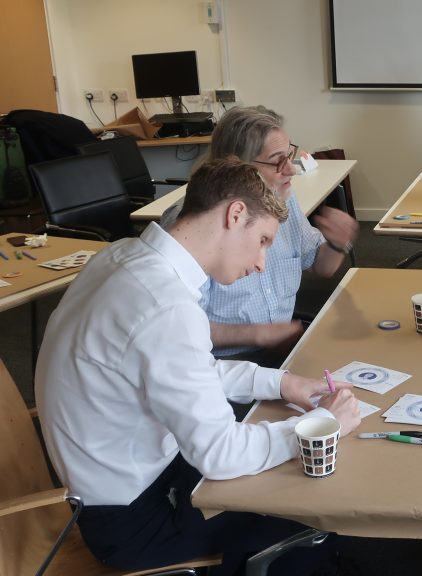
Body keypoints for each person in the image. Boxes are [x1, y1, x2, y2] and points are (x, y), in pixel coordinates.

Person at [36, 158, 362, 574]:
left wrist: (283, 383)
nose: (263, 262)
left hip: (121, 485)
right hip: (136, 524)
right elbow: (220, 455)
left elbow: (191, 370)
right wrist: (320, 425)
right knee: (311, 507)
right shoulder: (165, 306)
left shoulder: (122, 256)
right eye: (263, 240)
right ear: (235, 214)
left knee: (281, 467)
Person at [162, 105, 359, 366]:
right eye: (278, 161)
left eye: (290, 155)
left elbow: (320, 266)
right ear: (239, 166)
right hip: (220, 362)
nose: (292, 170)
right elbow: (178, 329)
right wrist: (259, 335)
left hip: (281, 349)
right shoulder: (193, 225)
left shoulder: (282, 198)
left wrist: (337, 242)